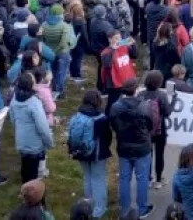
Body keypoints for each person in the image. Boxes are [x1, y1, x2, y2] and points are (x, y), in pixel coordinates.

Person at [110, 77, 154, 219]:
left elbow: (114, 125)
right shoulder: (145, 106)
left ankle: (125, 210)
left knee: (124, 178)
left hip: (124, 146)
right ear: (136, 90)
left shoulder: (116, 107)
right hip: (142, 147)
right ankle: (142, 209)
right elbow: (151, 124)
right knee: (142, 178)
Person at [69, 90, 112, 219]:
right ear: (98, 101)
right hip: (97, 154)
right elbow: (107, 137)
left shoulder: (77, 115)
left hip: (80, 152)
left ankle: (88, 206)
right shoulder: (101, 118)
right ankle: (99, 209)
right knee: (98, 179)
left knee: (87, 177)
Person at [9, 72, 54, 183]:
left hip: (21, 141)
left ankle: (25, 190)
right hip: (35, 145)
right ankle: (32, 192)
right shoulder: (34, 103)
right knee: (33, 176)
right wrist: (49, 143)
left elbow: (13, 120)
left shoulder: (14, 99)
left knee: (25, 169)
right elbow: (43, 127)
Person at [140, 70, 172, 189]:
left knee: (148, 154)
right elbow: (167, 112)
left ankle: (148, 178)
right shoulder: (161, 95)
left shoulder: (141, 94)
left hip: (145, 129)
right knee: (160, 154)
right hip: (160, 128)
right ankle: (158, 179)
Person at [41, 3, 76, 99]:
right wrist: (57, 51)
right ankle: (60, 91)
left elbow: (42, 39)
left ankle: (52, 88)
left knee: (52, 70)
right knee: (62, 72)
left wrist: (50, 51)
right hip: (62, 52)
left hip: (49, 52)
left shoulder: (43, 24)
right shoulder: (65, 26)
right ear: (60, 14)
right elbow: (63, 42)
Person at [100, 29, 138, 115]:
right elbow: (107, 65)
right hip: (114, 81)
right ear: (110, 39)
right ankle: (108, 116)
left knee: (127, 99)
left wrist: (133, 44)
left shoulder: (124, 47)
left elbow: (134, 55)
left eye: (120, 38)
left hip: (127, 78)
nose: (119, 40)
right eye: (116, 38)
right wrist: (114, 49)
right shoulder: (106, 52)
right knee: (113, 101)